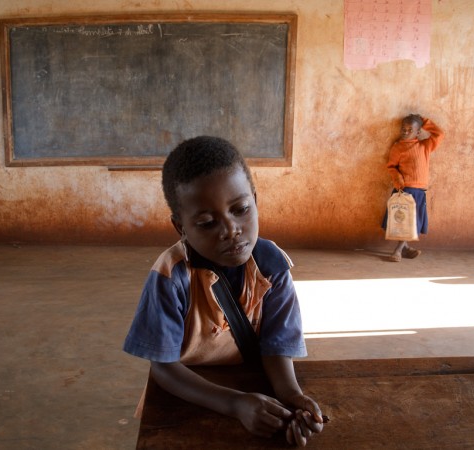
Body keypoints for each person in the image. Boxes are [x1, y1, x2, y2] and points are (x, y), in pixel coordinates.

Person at [123, 136, 325, 446]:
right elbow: (163, 366)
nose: (231, 229)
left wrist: (291, 396)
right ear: (181, 227)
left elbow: (276, 346)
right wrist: (234, 404)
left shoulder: (272, 265)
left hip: (255, 393)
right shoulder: (171, 275)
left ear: (255, 200)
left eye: (241, 209)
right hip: (188, 395)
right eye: (206, 222)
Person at [383, 114, 445, 262]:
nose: (405, 131)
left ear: (418, 132)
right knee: (404, 222)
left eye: (410, 129)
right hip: (404, 189)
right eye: (403, 128)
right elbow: (391, 167)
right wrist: (398, 179)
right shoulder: (398, 147)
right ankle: (400, 250)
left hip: (419, 191)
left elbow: (439, 134)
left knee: (411, 222)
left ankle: (402, 249)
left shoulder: (424, 146)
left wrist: (423, 121)